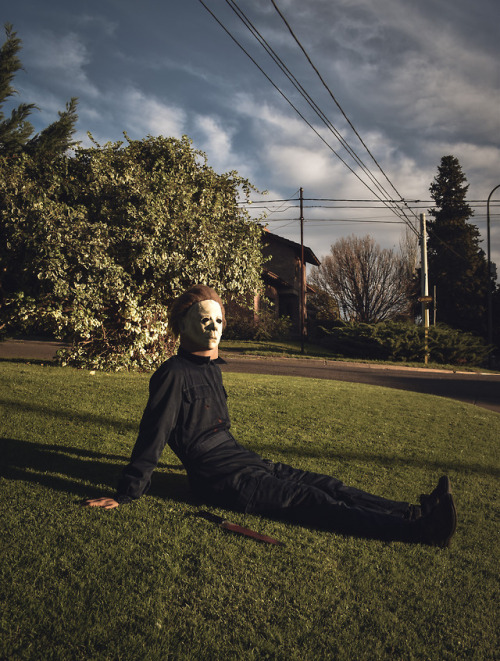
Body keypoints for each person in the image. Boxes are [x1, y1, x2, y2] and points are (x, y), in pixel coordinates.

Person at [85, 284, 457, 547]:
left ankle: (413, 511)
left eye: (219, 321)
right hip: (222, 480)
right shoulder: (172, 375)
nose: (214, 328)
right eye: (204, 320)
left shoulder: (212, 367)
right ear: (181, 326)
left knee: (329, 485)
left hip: (245, 460)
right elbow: (153, 435)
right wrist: (127, 493)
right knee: (314, 501)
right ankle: (422, 532)